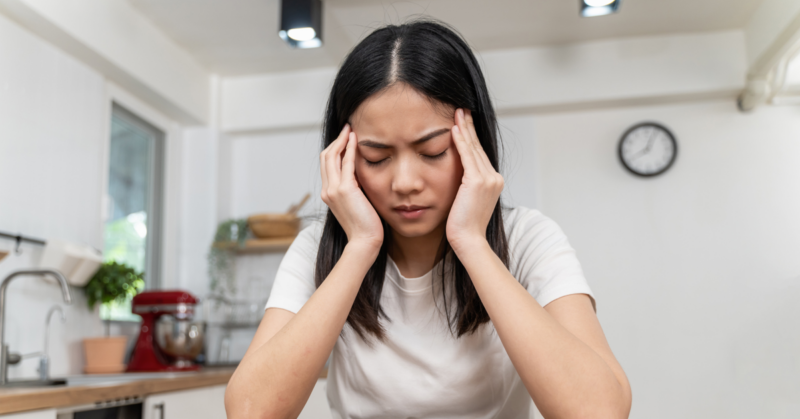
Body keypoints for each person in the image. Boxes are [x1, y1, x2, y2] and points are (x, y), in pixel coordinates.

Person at [225, 20, 631, 419]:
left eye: (433, 151)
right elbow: (251, 411)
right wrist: (360, 247)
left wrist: (471, 242)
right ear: (344, 157)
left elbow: (599, 411)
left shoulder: (529, 238)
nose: (404, 183)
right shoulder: (318, 248)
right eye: (376, 158)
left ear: (474, 144)